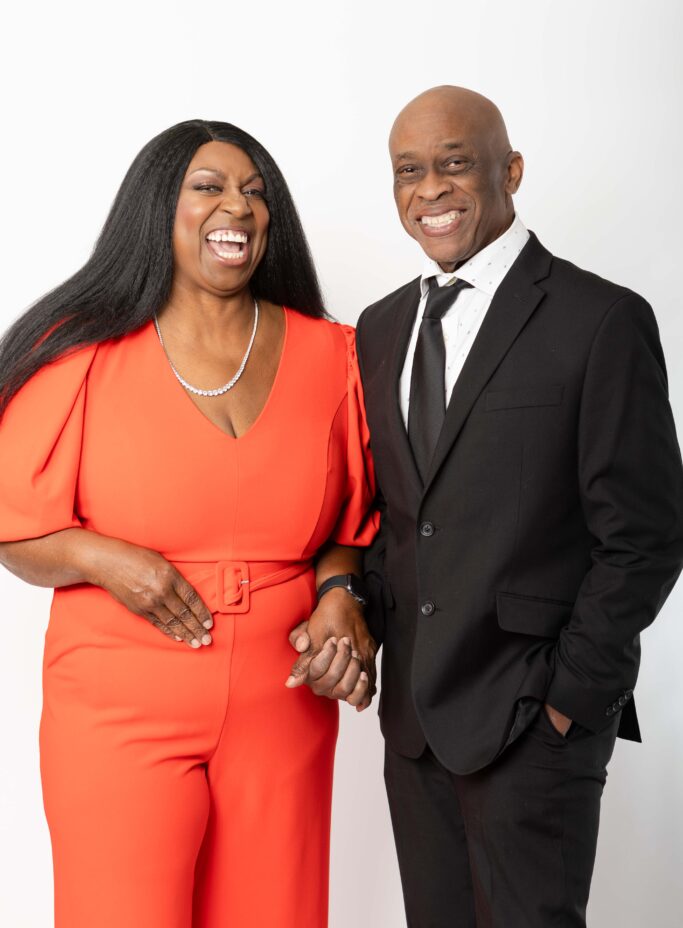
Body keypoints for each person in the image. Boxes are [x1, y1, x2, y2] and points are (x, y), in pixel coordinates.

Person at [0, 120, 379, 928]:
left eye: (254, 192)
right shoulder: (78, 352)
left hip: (284, 696)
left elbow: (353, 521)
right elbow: (13, 525)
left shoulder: (334, 354)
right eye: (207, 187)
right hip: (119, 695)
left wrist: (339, 592)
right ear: (157, 208)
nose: (235, 206)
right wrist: (101, 557)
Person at [354, 86, 683, 926]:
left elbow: (644, 537)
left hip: (533, 723)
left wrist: (569, 699)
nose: (430, 189)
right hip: (414, 728)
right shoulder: (378, 329)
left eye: (454, 163)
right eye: (408, 172)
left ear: (510, 171)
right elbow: (401, 519)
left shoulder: (599, 319)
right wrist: (350, 610)